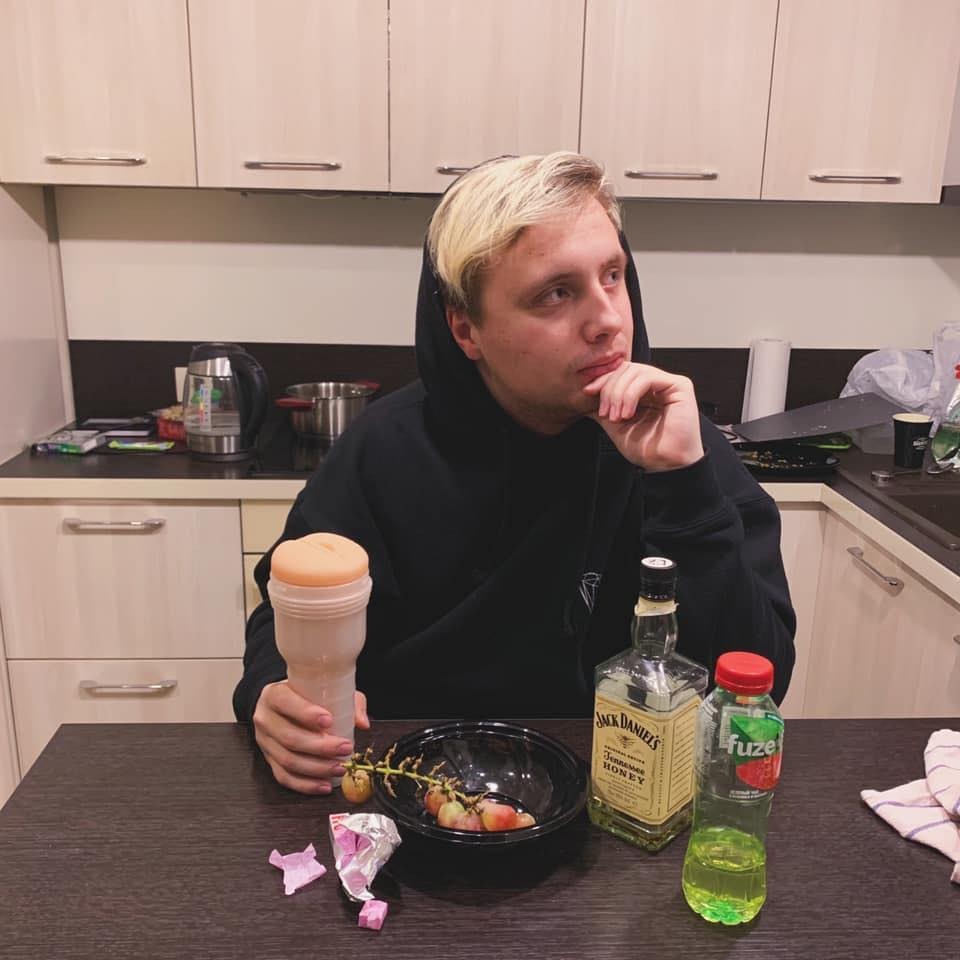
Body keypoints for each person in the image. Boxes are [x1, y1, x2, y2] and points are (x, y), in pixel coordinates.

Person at [233, 153, 796, 795]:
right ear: (466, 329)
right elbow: (288, 612)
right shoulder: (383, 450)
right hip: (415, 788)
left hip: (620, 791)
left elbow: (759, 682)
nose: (609, 320)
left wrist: (684, 487)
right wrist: (269, 692)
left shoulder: (680, 446)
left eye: (613, 276)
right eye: (556, 293)